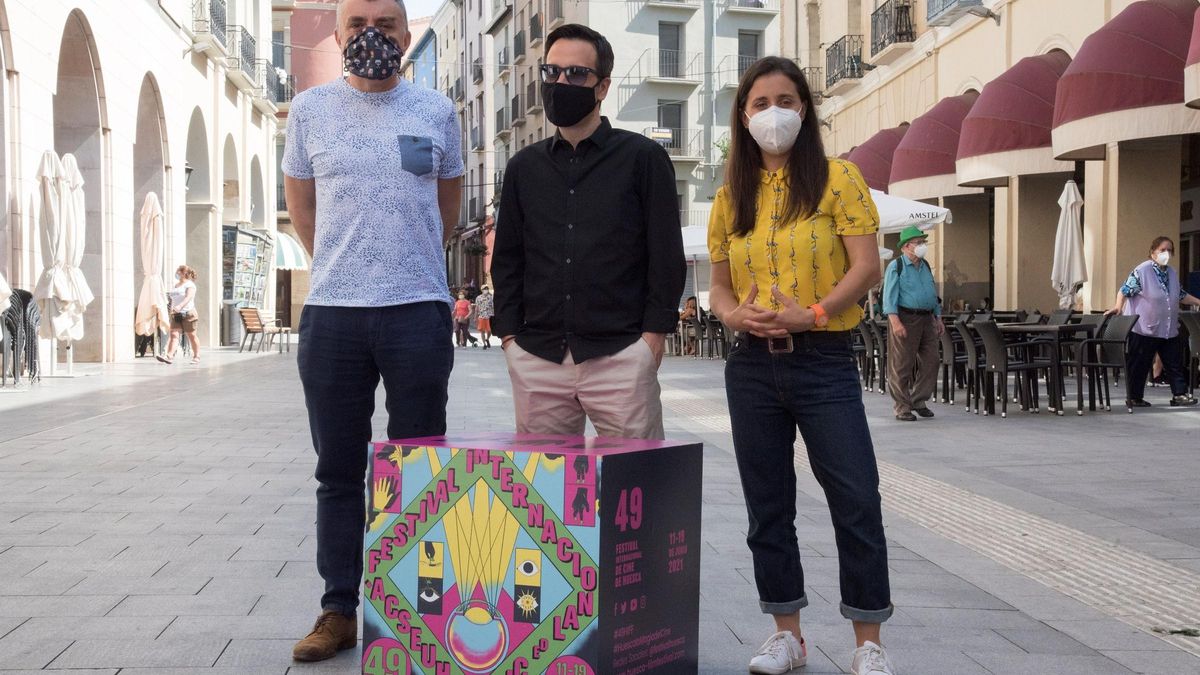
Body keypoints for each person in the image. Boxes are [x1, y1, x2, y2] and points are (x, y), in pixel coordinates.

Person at [282, 0, 462, 662]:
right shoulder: (309, 112)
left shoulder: (437, 112)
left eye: (385, 24)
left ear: (406, 34)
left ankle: (413, 605)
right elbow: (302, 207)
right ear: (337, 34)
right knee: (337, 469)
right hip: (332, 313)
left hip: (417, 309)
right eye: (357, 24)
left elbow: (447, 206)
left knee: (417, 466)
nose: (371, 35)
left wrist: (405, 263)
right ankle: (338, 608)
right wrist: (345, 262)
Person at [707, 57, 895, 675]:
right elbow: (719, 292)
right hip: (752, 367)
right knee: (768, 503)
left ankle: (868, 643)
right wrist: (739, 318)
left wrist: (811, 315)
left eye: (785, 99)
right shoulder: (730, 194)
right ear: (743, 115)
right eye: (759, 103)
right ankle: (786, 633)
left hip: (824, 360)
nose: (772, 113)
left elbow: (866, 267)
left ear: (806, 108)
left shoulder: (839, 179)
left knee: (856, 496)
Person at [491, 24, 685, 440]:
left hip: (621, 355)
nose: (561, 83)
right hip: (538, 357)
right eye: (552, 72)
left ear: (602, 87)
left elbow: (665, 253)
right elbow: (507, 257)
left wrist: (652, 338)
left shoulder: (643, 159)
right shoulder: (523, 168)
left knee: (633, 493)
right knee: (542, 497)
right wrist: (509, 337)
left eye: (577, 74)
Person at [1106, 236, 1200, 407]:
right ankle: (1134, 397)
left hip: (1167, 328)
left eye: (1170, 250)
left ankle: (1179, 394)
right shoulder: (1143, 270)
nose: (1166, 253)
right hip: (1143, 328)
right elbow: (1124, 290)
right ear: (1152, 252)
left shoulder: (1171, 272)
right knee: (1139, 364)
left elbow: (1180, 294)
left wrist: (1198, 301)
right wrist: (1118, 307)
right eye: (1162, 250)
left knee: (1174, 362)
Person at [882, 225, 943, 421]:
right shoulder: (896, 266)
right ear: (906, 246)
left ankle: (918, 400)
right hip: (905, 317)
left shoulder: (924, 265)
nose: (922, 245)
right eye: (919, 242)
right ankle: (902, 406)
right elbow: (888, 297)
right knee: (902, 364)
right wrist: (895, 322)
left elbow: (931, 291)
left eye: (923, 242)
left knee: (932, 360)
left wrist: (938, 316)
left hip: (927, 317)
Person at [159, 265, 200, 365]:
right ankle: (169, 356)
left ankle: (196, 356)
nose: (177, 274)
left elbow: (188, 297)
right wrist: (171, 310)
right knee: (173, 335)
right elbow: (173, 299)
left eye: (178, 272)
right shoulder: (176, 285)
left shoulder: (190, 285)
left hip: (188, 313)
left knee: (191, 335)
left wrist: (180, 306)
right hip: (176, 314)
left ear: (184, 273)